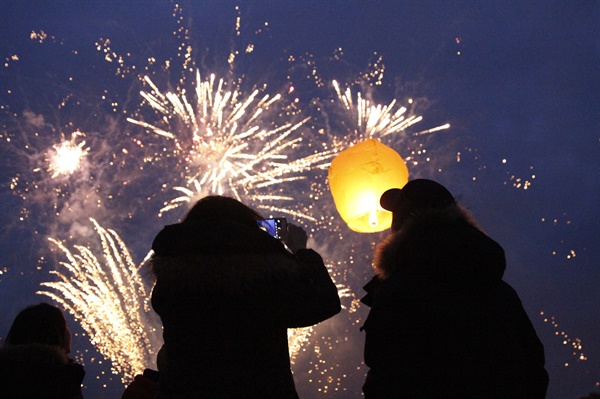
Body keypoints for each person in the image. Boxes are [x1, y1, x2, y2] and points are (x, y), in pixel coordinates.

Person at [361, 179, 549, 398]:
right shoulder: (501, 291)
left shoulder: (401, 289)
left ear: (402, 225)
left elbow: (388, 374)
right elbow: (534, 365)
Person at [149, 195, 341, 398]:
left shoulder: (171, 281)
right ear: (249, 229)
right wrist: (300, 251)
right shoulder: (264, 280)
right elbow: (325, 302)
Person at [0, 302, 85, 399]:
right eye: (66, 326)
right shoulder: (59, 380)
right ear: (55, 333)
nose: (70, 332)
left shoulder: (7, 376)